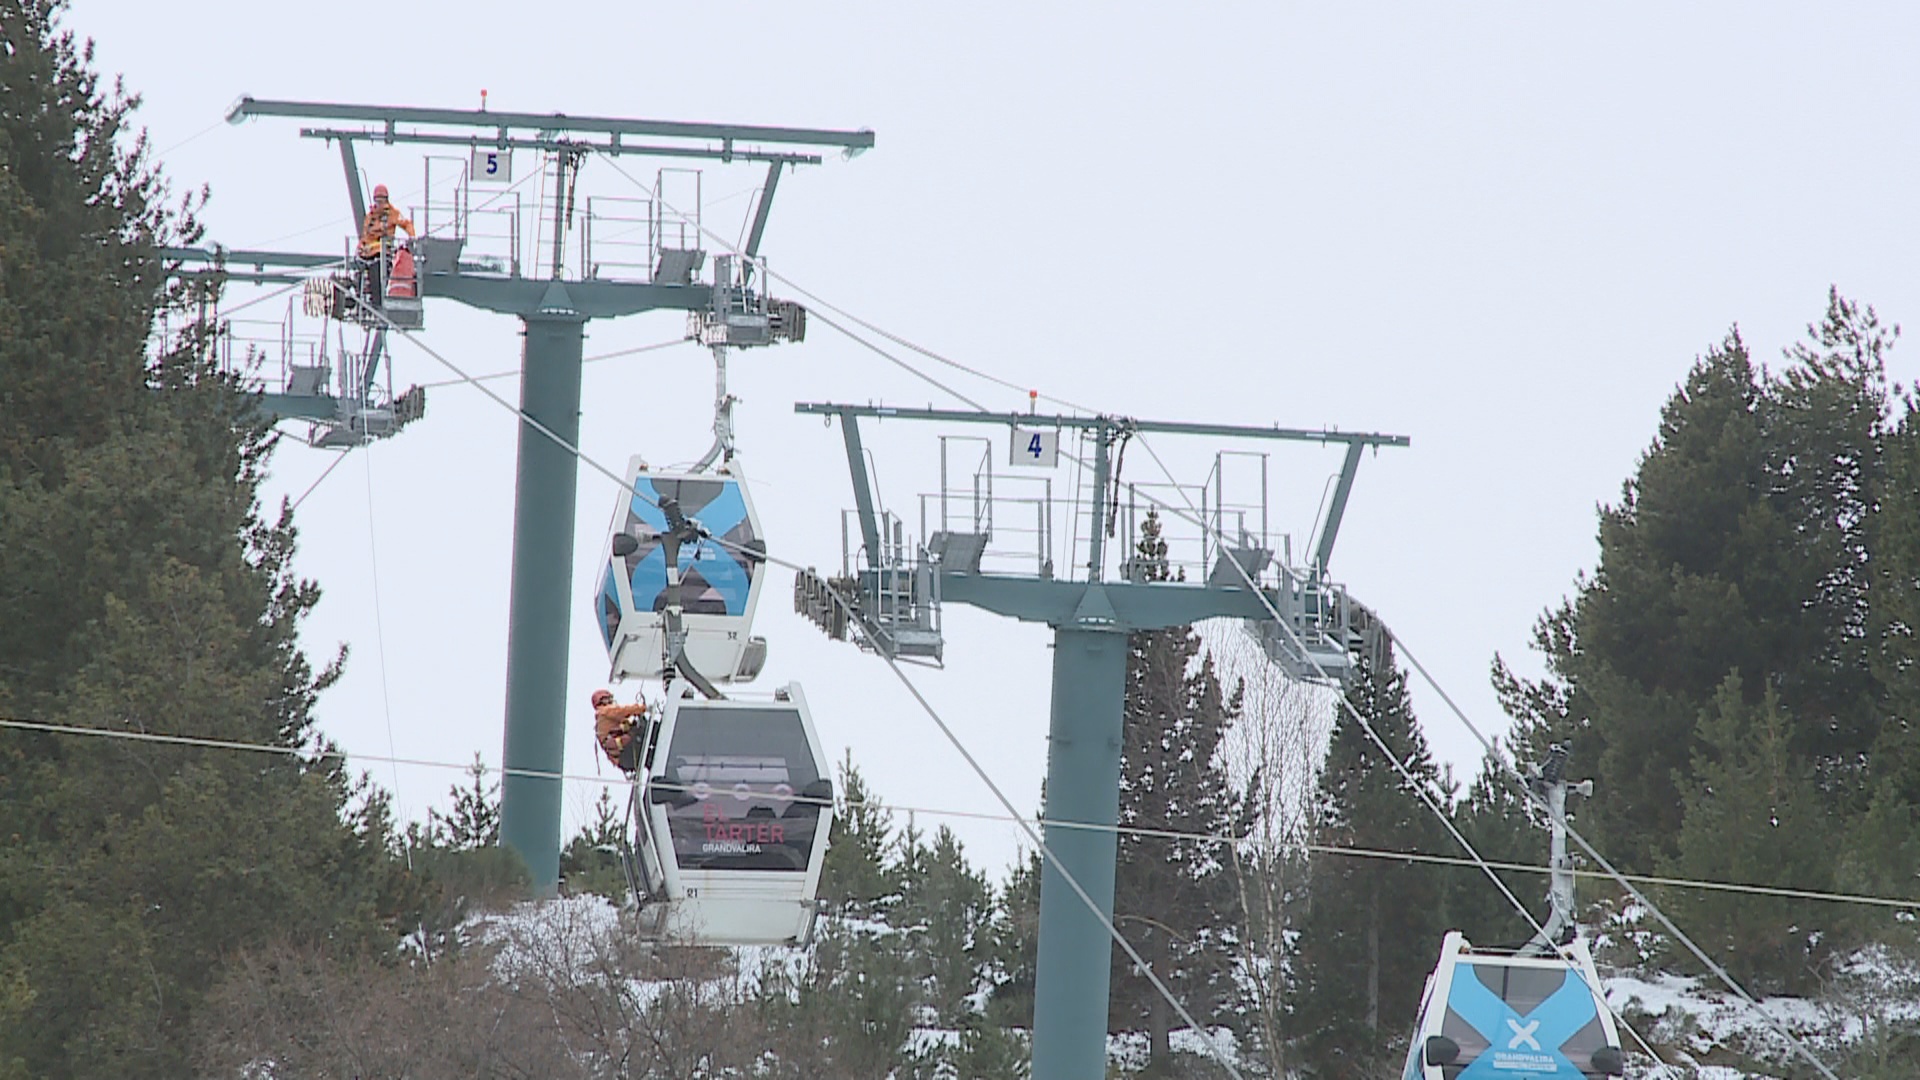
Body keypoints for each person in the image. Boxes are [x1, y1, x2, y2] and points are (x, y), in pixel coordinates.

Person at [355, 184, 415, 304]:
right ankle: (360, 296)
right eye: (377, 201)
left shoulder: (393, 214)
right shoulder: (370, 218)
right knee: (359, 275)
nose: (380, 204)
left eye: (382, 201)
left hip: (382, 253)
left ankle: (377, 302)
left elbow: (406, 224)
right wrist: (359, 248)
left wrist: (412, 236)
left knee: (376, 273)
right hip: (367, 254)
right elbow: (364, 237)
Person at [592, 688, 649, 772]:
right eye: (608, 698)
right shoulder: (604, 711)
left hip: (624, 759)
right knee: (649, 731)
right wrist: (641, 708)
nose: (611, 701)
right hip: (627, 752)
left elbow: (624, 722)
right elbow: (622, 711)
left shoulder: (603, 719)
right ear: (602, 700)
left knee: (649, 757)